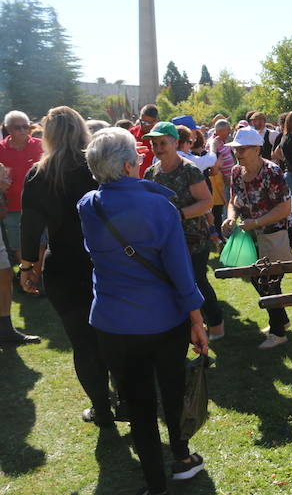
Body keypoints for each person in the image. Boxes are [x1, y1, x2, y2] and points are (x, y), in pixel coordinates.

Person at [78, 127, 208, 495]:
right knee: (171, 389)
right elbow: (181, 271)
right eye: (136, 157)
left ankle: (155, 484)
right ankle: (181, 458)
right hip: (163, 320)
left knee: (137, 404)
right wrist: (197, 319)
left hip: (113, 322)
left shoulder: (88, 205)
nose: (141, 160)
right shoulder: (159, 206)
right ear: (126, 165)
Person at [20, 107, 116, 419]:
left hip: (63, 267)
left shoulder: (38, 173)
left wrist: (27, 267)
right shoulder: (97, 168)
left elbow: (30, 227)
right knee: (115, 337)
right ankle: (126, 400)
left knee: (83, 343)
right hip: (105, 264)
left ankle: (102, 409)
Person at [143, 122, 223, 341]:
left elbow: (206, 202)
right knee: (172, 284)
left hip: (193, 239)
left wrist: (178, 215)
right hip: (165, 241)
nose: (158, 148)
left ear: (175, 143)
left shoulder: (189, 169)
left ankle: (216, 323)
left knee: (197, 282)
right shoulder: (151, 172)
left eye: (163, 143)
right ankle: (188, 326)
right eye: (154, 144)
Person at [224, 127, 292, 349]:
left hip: (274, 234)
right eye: (236, 148)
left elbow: (284, 208)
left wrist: (256, 223)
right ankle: (281, 321)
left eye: (243, 149)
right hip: (249, 235)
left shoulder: (272, 172)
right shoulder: (236, 172)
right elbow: (232, 201)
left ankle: (278, 331)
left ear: (257, 149)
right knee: (259, 279)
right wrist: (230, 218)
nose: (238, 153)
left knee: (269, 281)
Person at [0, 110, 43, 267]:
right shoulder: (0, 149)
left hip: (38, 206)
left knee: (41, 242)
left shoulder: (40, 146)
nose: (24, 131)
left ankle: (36, 279)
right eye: (19, 128)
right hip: (11, 206)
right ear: (9, 129)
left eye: (27, 127)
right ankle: (27, 274)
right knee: (17, 244)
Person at [129, 104, 159, 177]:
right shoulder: (131, 133)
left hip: (155, 179)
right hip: (135, 179)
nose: (143, 125)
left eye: (147, 123)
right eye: (141, 121)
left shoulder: (161, 135)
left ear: (156, 121)